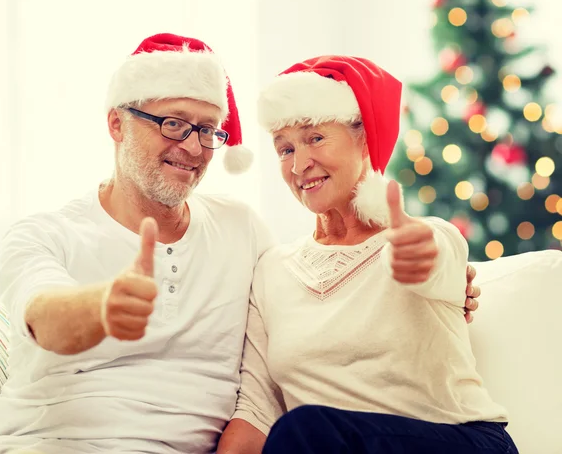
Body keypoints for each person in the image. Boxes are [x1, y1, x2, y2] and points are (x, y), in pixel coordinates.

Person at [0, 36, 480, 454]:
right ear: (117, 124)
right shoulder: (43, 234)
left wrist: (442, 271)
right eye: (173, 123)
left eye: (206, 130)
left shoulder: (241, 232)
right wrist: (101, 307)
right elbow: (42, 314)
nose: (194, 147)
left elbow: (434, 257)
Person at [218, 55, 517, 454]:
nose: (299, 164)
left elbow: (433, 260)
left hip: (458, 441)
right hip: (322, 443)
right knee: (304, 431)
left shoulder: (427, 235)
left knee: (308, 428)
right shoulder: (272, 270)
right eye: (284, 149)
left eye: (315, 138)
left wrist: (416, 254)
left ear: (364, 138)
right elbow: (257, 410)